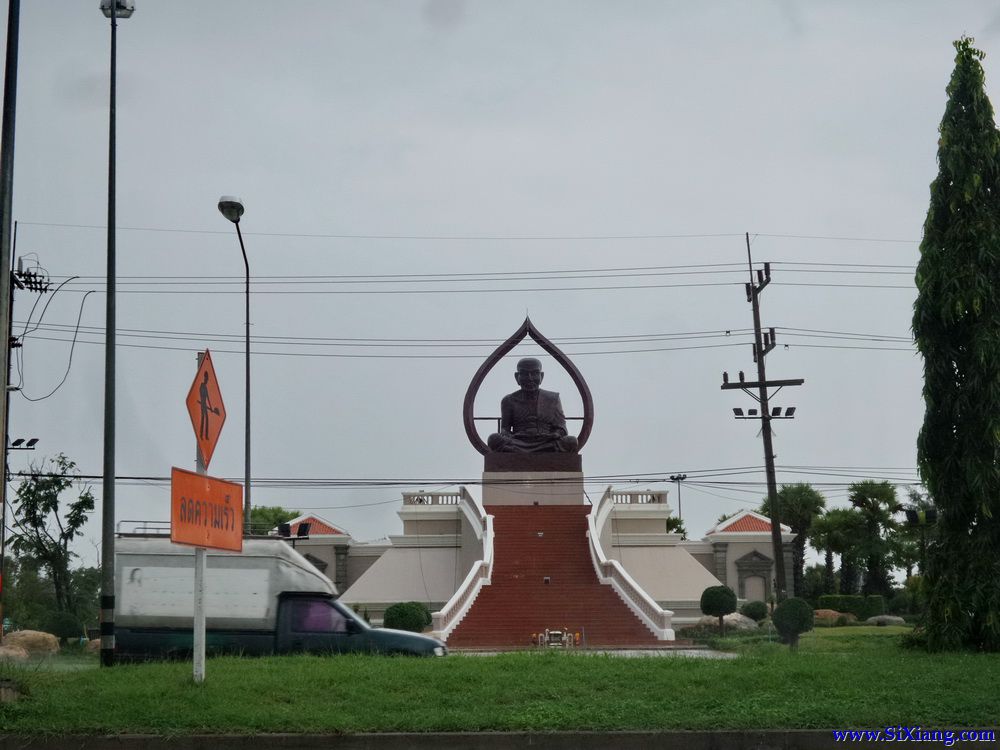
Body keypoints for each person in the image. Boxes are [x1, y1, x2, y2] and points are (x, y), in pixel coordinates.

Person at [487, 358, 579, 453]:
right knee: (494, 439)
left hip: (546, 441)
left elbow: (561, 428)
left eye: (535, 373)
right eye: (524, 374)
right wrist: (509, 435)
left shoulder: (552, 398)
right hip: (518, 441)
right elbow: (505, 429)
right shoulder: (508, 400)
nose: (530, 378)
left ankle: (528, 453)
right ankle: (536, 453)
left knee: (571, 441)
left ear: (541, 376)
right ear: (517, 377)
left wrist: (554, 434)